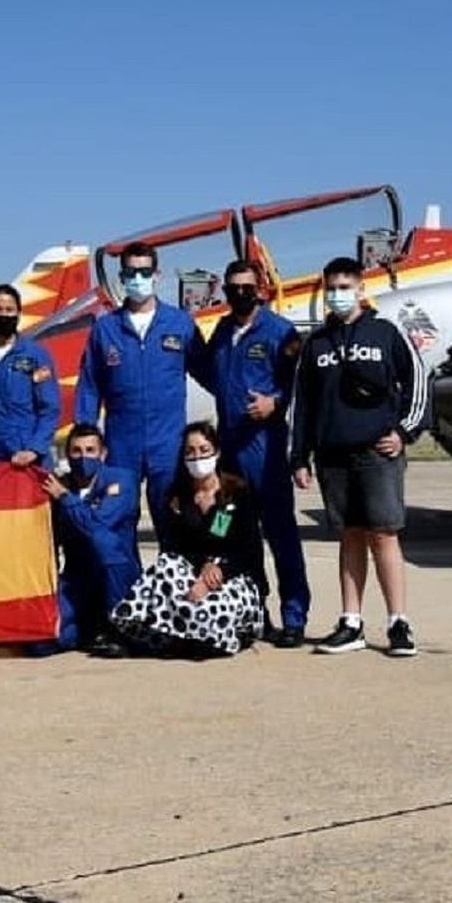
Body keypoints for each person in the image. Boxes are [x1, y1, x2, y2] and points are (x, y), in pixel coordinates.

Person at [290, 256, 430, 657]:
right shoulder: (316, 344)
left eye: (344, 288)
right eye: (331, 288)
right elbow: (303, 404)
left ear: (361, 289)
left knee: (384, 534)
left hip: (376, 453)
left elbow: (418, 382)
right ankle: (351, 622)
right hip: (332, 454)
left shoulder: (385, 333)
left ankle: (398, 622)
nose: (337, 295)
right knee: (349, 535)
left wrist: (404, 432)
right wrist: (299, 457)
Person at [73, 241, 208, 539]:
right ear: (121, 277)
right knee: (118, 524)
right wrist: (84, 438)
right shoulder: (105, 329)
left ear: (157, 275)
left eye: (144, 272)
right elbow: (90, 386)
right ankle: (124, 573)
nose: (138, 278)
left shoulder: (180, 324)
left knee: (173, 524)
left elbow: (211, 373)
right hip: (121, 446)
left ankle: (171, 570)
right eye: (131, 272)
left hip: (168, 444)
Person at [208, 259, 309, 647]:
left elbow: (299, 384)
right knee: (230, 531)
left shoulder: (281, 332)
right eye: (233, 288)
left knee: (281, 535)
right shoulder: (221, 331)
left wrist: (275, 402)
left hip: (266, 453)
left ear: (260, 289)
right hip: (230, 455)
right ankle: (253, 612)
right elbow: (212, 374)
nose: (240, 294)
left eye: (247, 288)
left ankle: (294, 617)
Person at [110, 422, 265, 657]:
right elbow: (178, 547)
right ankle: (156, 633)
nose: (197, 457)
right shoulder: (178, 499)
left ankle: (205, 637)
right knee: (166, 567)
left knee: (213, 606)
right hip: (195, 572)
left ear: (217, 452)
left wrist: (219, 570)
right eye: (190, 451)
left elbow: (248, 548)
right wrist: (203, 568)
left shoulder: (236, 492)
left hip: (231, 576)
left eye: (204, 450)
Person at [37, 424, 141, 656]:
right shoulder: (59, 485)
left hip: (116, 578)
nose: (83, 457)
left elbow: (99, 524)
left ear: (102, 454)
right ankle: (90, 629)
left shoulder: (121, 480)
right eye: (77, 451)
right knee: (42, 641)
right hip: (78, 580)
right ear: (67, 455)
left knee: (103, 541)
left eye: (90, 450)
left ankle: (120, 629)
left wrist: (66, 498)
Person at [0, 284, 60, 466]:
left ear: (19, 313)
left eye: (9, 310)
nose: (3, 315)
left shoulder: (36, 356)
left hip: (27, 459)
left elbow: (49, 409)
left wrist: (34, 449)